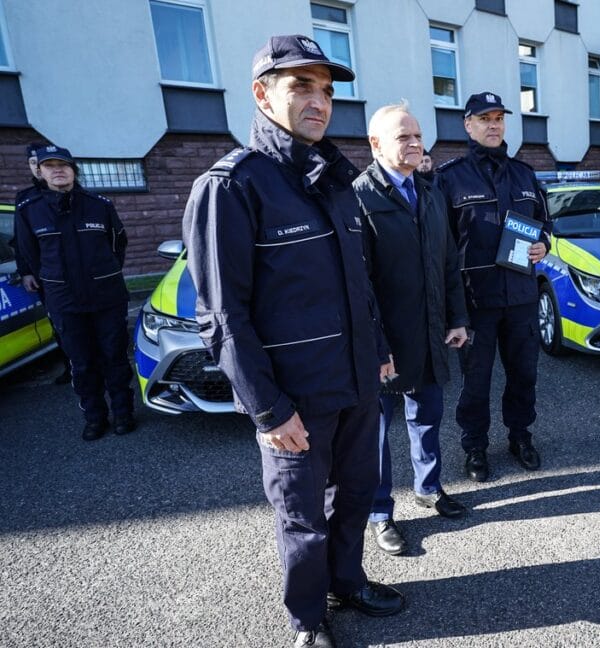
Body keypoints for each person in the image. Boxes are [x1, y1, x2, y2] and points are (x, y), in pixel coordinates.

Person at [182, 35, 403, 648]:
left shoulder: (334, 179)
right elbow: (223, 315)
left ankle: (348, 581)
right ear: (262, 93)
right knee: (302, 518)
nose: (319, 101)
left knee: (357, 493)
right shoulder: (232, 187)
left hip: (356, 380)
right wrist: (268, 409)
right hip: (294, 397)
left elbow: (360, 283)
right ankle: (309, 618)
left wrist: (379, 349)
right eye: (300, 85)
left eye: (327, 90)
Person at [353, 102, 470, 556]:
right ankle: (379, 512)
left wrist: (457, 319)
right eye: (404, 136)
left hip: (430, 332)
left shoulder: (430, 191)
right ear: (375, 143)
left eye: (418, 135)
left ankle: (428, 487)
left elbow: (448, 262)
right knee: (375, 431)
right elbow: (359, 285)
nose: (415, 143)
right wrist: (377, 346)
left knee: (427, 415)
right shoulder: (360, 196)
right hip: (385, 341)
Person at [435, 91, 552, 482]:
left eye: (499, 118)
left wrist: (543, 245)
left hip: (520, 297)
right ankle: (475, 447)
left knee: (524, 374)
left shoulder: (525, 173)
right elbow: (441, 246)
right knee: (476, 381)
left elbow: (545, 225)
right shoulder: (449, 178)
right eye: (484, 119)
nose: (493, 125)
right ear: (468, 125)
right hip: (476, 301)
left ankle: (520, 436)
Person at [14, 146, 135, 440]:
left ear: (73, 170)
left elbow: (118, 243)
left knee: (114, 357)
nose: (58, 170)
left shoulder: (99, 205)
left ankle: (123, 413)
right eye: (50, 166)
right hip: (65, 300)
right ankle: (95, 417)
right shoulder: (30, 210)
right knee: (81, 363)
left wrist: (104, 273)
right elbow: (29, 253)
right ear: (39, 172)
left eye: (63, 165)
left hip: (106, 295)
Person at [15, 142, 73, 385]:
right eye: (36, 163)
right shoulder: (26, 201)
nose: (53, 170)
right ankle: (70, 365)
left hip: (80, 272)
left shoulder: (75, 195)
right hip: (49, 277)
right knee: (61, 326)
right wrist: (27, 271)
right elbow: (21, 242)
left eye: (61, 165)